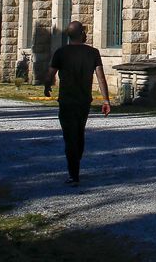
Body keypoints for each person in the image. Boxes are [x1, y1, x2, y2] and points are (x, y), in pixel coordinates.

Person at [44, 20, 110, 186]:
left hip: (67, 101)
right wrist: (106, 99)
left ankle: (73, 174)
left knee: (70, 136)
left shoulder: (61, 53)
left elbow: (51, 73)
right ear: (81, 34)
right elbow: (100, 77)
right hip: (83, 101)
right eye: (84, 31)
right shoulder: (93, 53)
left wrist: (47, 86)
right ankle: (76, 162)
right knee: (79, 132)